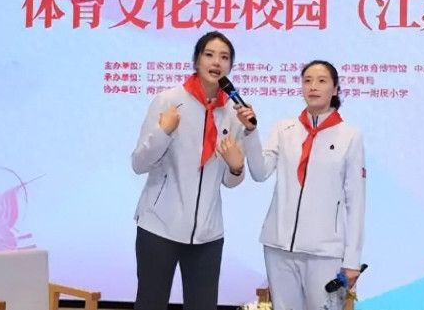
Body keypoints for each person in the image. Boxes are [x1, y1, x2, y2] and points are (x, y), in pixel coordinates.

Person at [131, 31, 254, 310]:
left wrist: (237, 168)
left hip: (208, 235)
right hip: (159, 227)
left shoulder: (234, 112)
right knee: (150, 304)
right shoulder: (169, 100)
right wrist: (163, 132)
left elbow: (229, 180)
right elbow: (139, 163)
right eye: (209, 55)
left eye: (224, 57)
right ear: (196, 60)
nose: (216, 62)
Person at [241, 60, 366, 310]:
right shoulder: (285, 128)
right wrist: (251, 132)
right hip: (278, 246)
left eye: (321, 81)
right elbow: (259, 172)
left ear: (335, 89)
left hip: (325, 252)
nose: (313, 86)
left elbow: (356, 201)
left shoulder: (349, 135)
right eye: (307, 80)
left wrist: (352, 260)